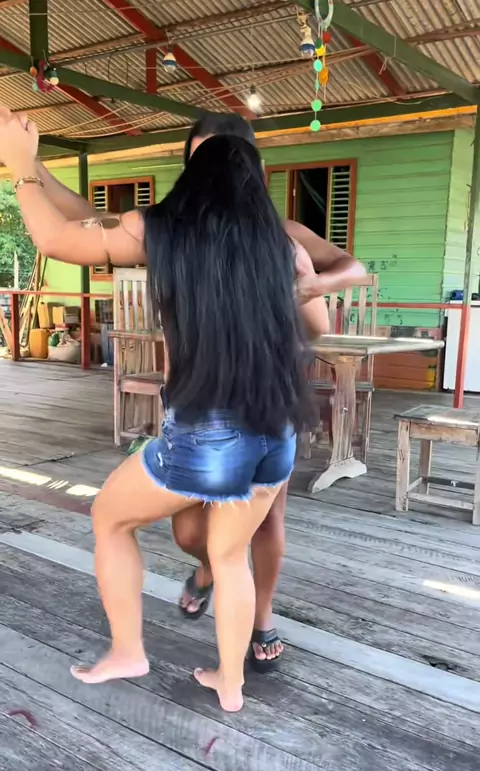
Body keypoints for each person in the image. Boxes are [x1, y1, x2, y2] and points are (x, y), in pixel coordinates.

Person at [10, 107, 365, 671]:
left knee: (258, 524)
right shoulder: (172, 229)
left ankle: (260, 619)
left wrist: (307, 287)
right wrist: (33, 167)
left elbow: (346, 277)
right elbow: (96, 224)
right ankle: (211, 582)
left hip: (261, 401)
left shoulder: (279, 238)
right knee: (193, 532)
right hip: (208, 411)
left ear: (252, 167)